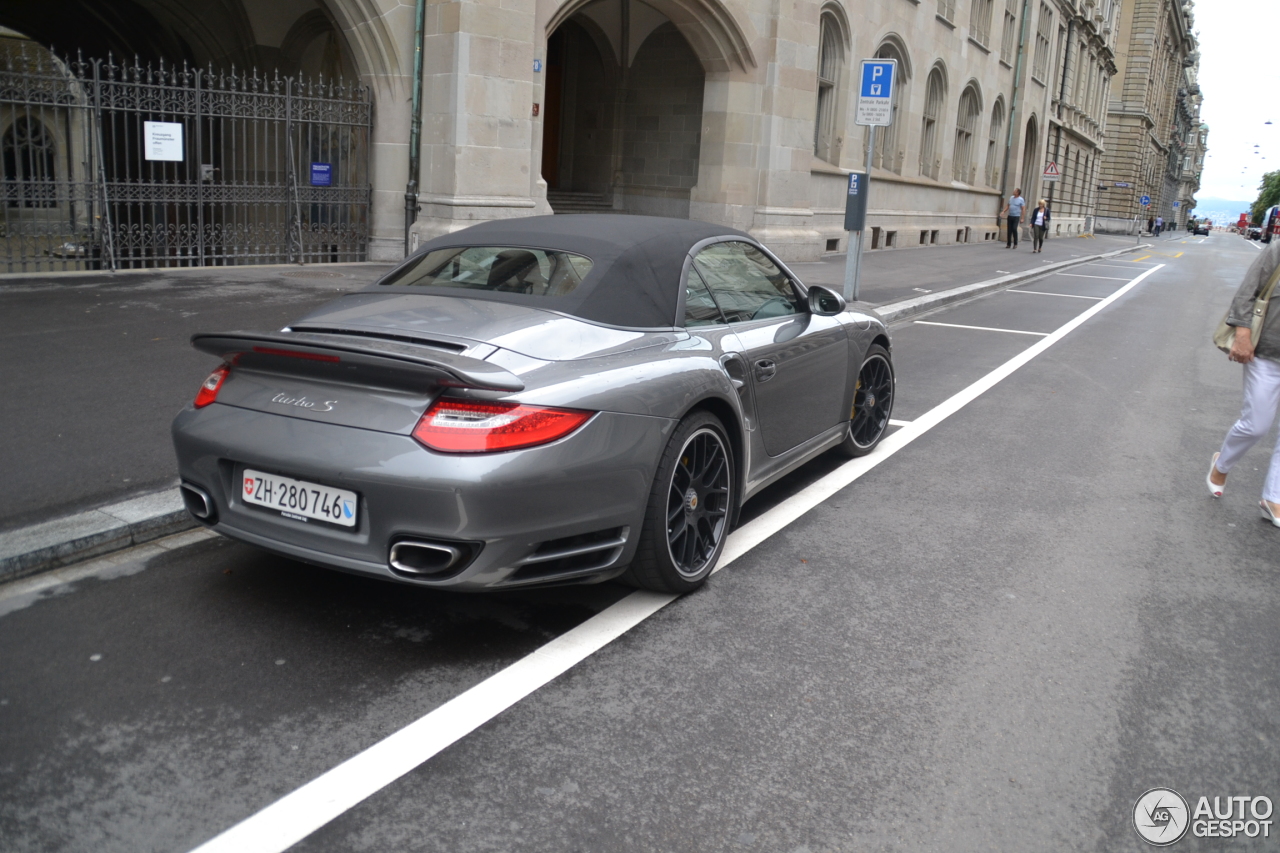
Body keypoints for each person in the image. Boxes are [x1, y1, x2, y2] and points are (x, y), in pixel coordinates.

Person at [1207, 237, 1280, 527]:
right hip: (1266, 352)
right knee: (1256, 425)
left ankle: (1273, 497)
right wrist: (1242, 334)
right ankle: (1220, 465)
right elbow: (1248, 291)